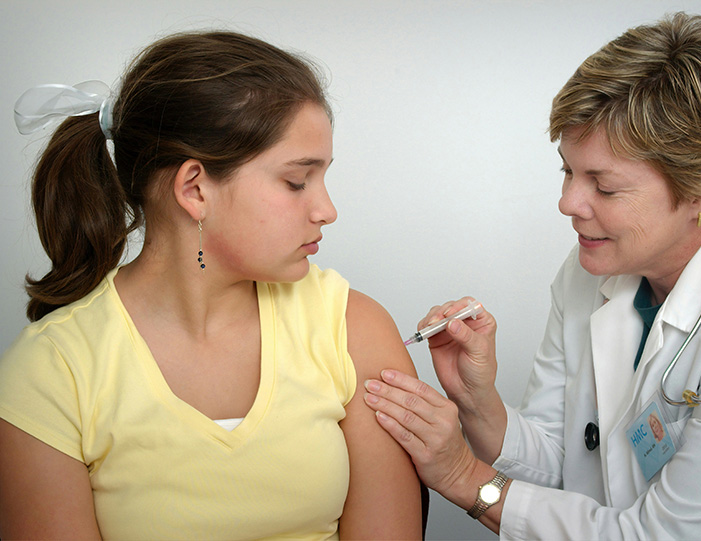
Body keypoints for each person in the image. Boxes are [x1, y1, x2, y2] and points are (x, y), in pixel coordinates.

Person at [360, 12, 701, 539]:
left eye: (603, 186)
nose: (567, 203)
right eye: (567, 171)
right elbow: (567, 458)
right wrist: (477, 402)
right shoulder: (594, 269)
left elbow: (660, 536)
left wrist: (464, 477)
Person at [0, 31, 423, 539]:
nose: (326, 210)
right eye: (296, 181)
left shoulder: (355, 330)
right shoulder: (51, 371)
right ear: (195, 189)